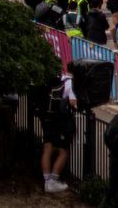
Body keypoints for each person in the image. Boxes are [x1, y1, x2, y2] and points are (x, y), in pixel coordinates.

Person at [40, 64, 78, 194]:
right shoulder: (71, 83)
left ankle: (46, 181)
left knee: (47, 149)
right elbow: (73, 102)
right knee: (63, 152)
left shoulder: (59, 79)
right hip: (60, 122)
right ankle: (53, 180)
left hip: (48, 119)